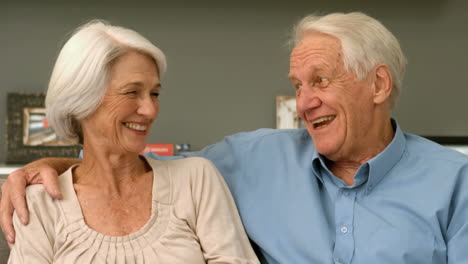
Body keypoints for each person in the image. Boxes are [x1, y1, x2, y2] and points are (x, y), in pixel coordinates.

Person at [2, 12, 468, 263]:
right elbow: (135, 169)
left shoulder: (455, 182)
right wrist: (55, 168)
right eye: (298, 86)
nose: (303, 104)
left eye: (321, 82)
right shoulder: (255, 158)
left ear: (379, 85)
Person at [5, 20, 259, 263]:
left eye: (155, 94)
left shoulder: (196, 180)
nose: (150, 110)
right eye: (131, 92)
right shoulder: (40, 203)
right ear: (82, 101)